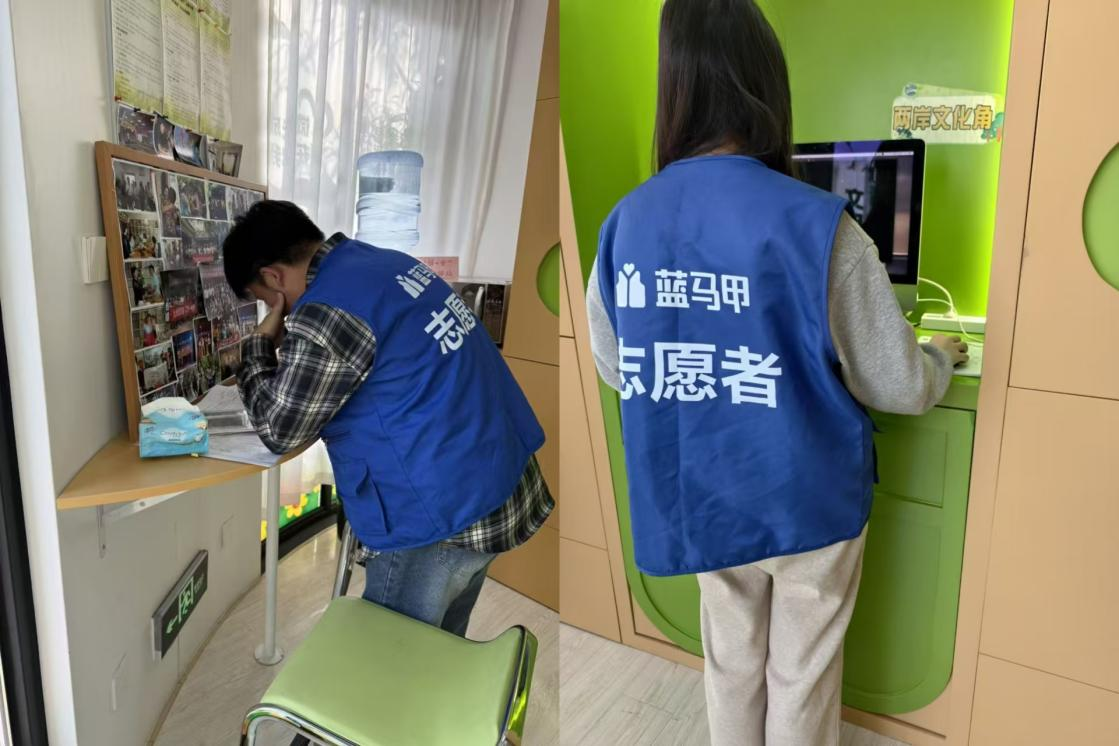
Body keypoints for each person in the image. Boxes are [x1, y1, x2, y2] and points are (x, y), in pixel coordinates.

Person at [585, 2, 968, 744]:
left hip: (703, 489)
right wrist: (938, 357)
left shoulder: (624, 224)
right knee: (802, 673)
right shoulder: (822, 224)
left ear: (673, 89)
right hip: (807, 500)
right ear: (766, 87)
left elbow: (618, 364)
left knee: (730, 662)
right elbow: (899, 386)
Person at [222, 200, 553, 637]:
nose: (274, 313)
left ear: (272, 277)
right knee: (442, 642)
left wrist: (258, 346)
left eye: (267, 302)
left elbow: (279, 428)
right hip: (493, 479)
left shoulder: (328, 310)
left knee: (396, 655)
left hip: (434, 515)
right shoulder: (384, 263)